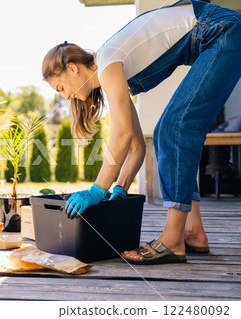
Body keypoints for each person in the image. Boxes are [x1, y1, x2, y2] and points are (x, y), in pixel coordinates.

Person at [42, 0, 241, 265]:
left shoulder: (108, 61)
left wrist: (98, 190)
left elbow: (121, 135)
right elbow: (136, 145)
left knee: (174, 127)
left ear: (72, 68)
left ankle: (173, 239)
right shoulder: (114, 74)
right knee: (168, 131)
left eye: (60, 88)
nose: (66, 97)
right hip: (220, 34)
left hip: (224, 30)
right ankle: (193, 232)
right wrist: (120, 189)